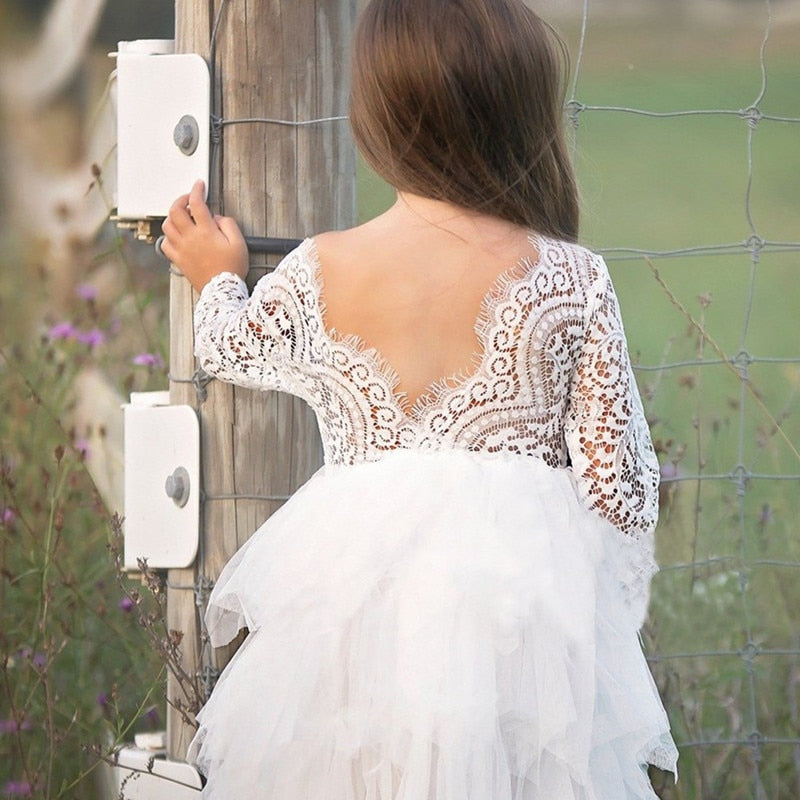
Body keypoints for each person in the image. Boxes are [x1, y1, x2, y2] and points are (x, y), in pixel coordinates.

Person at [160, 0, 678, 797]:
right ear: (523, 111)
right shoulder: (571, 279)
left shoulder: (319, 270)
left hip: (357, 633)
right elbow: (624, 495)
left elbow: (228, 347)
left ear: (375, 116)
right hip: (520, 643)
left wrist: (218, 279)